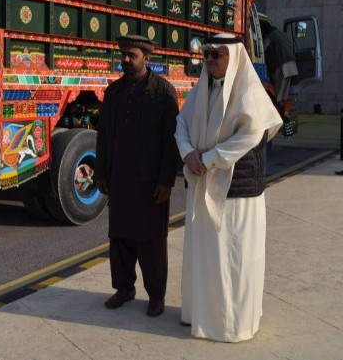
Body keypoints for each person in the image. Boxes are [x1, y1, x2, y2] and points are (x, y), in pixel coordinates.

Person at [175, 34, 283, 342]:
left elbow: (248, 138)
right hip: (202, 184)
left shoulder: (250, 94)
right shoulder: (200, 91)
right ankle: (201, 316)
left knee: (234, 260)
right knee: (206, 256)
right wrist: (188, 154)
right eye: (207, 53)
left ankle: (232, 324)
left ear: (234, 57)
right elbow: (180, 125)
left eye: (217, 54)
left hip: (237, 195)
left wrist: (207, 158)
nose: (210, 59)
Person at [94, 35, 180, 318]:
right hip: (120, 177)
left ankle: (156, 295)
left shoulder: (163, 92)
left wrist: (166, 180)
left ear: (147, 58)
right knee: (119, 236)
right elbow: (104, 135)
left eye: (132, 55)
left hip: (150, 181)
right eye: (123, 55)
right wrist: (102, 173)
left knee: (151, 240)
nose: (126, 60)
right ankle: (124, 288)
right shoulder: (114, 92)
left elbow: (172, 141)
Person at [261, 21, 298, 111]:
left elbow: (262, 50)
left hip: (282, 63)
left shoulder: (270, 36)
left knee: (278, 84)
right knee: (285, 86)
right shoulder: (283, 34)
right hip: (292, 63)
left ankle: (278, 104)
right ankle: (282, 102)